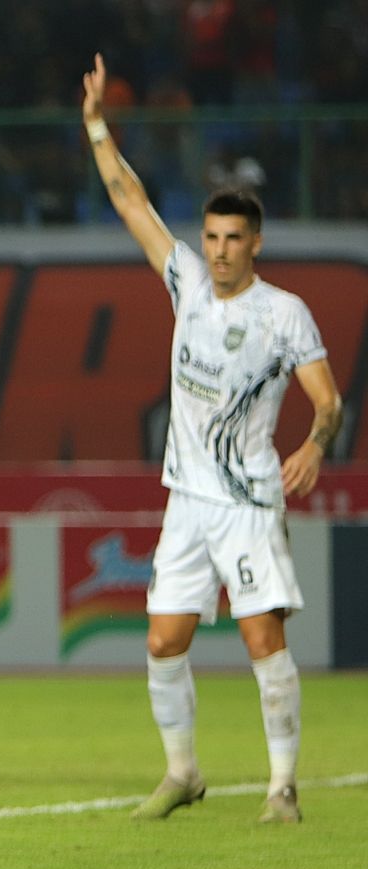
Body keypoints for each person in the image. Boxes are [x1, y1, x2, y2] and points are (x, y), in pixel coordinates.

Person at [82, 55, 341, 824]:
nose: (220, 249)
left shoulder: (283, 313)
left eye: (233, 238)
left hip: (250, 498)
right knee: (164, 641)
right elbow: (129, 198)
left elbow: (325, 398)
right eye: (212, 237)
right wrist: (97, 123)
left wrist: (318, 440)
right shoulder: (187, 285)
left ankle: (282, 787)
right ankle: (184, 773)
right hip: (186, 501)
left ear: (255, 243)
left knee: (263, 639)